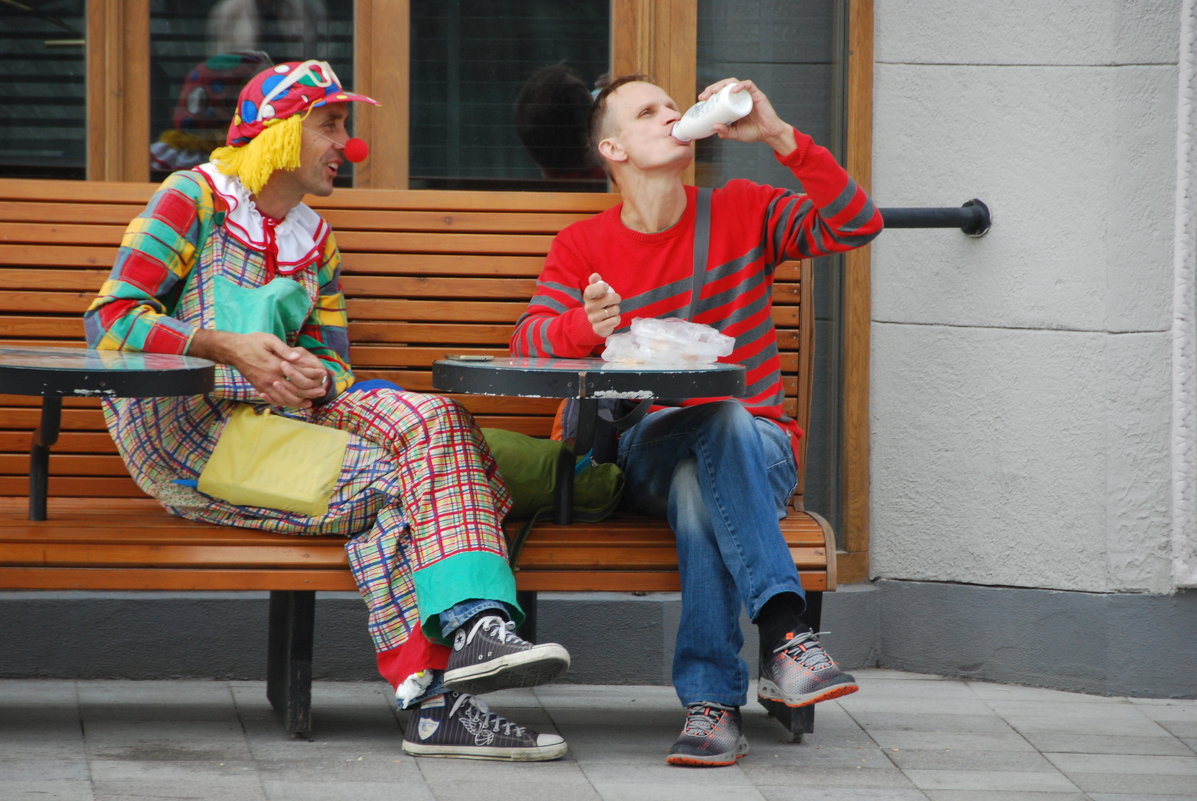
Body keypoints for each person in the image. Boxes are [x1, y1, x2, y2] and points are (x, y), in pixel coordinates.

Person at [85, 59, 571, 762]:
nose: (350, 143)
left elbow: (333, 363)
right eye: (333, 124)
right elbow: (110, 321)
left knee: (435, 422)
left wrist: (313, 374)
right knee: (414, 483)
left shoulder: (316, 238)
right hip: (188, 440)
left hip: (279, 422)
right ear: (280, 131)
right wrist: (224, 347)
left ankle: (478, 628)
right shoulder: (191, 198)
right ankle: (431, 698)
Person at [510, 75, 883, 767]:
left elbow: (856, 223)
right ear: (612, 147)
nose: (671, 116)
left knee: (704, 463)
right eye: (648, 111)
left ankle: (711, 705)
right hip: (643, 451)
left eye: (674, 107)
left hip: (758, 448)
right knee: (697, 443)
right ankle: (783, 632)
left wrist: (778, 136)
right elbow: (527, 343)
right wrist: (581, 325)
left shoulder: (742, 210)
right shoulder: (584, 245)